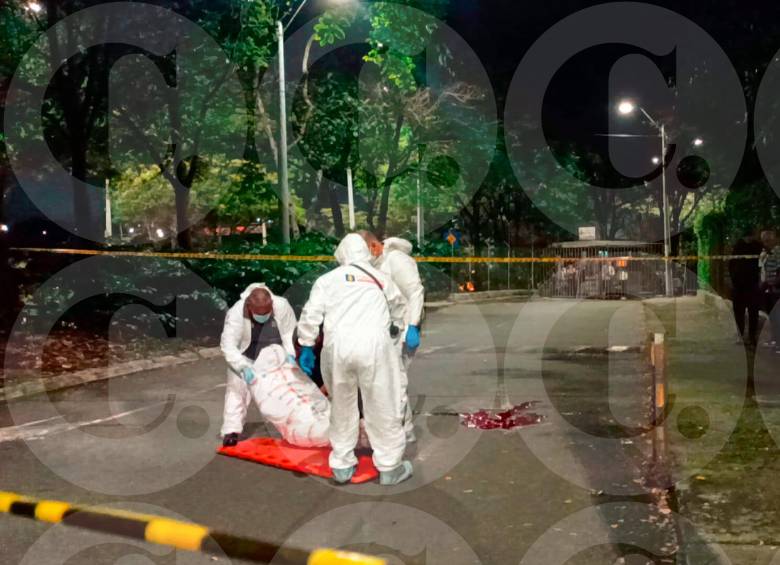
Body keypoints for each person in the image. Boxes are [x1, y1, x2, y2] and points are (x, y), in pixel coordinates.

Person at [297, 233, 412, 485]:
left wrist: (306, 345)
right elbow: (399, 308)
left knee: (341, 405)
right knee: (382, 405)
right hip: (375, 347)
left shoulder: (326, 280)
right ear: (365, 252)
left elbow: (311, 314)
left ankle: (342, 464)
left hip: (337, 347)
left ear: (342, 254)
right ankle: (390, 467)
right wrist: (398, 331)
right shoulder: (381, 279)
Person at [361, 231, 424, 442]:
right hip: (383, 328)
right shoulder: (374, 263)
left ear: (375, 246)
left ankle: (403, 430)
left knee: (397, 381)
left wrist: (413, 325)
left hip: (404, 329)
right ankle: (400, 428)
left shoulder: (397, 260)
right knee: (389, 381)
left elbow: (415, 292)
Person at [220, 284, 298, 446]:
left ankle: (288, 430)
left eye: (266, 312)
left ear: (271, 304)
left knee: (283, 392)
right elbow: (228, 344)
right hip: (246, 355)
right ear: (249, 306)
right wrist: (242, 366)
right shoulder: (236, 312)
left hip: (275, 354)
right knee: (237, 390)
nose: (262, 315)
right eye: (258, 313)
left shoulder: (281, 305)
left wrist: (291, 355)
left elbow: (290, 333)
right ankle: (231, 430)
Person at [729, 232, 764, 345]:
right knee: (742, 312)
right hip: (742, 285)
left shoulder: (755, 247)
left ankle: (750, 337)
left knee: (750, 312)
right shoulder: (741, 246)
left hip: (749, 285)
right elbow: (732, 264)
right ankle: (747, 337)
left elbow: (732, 265)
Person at [760, 230, 780, 346]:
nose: (765, 243)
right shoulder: (768, 252)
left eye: (767, 241)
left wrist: (774, 285)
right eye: (764, 241)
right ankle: (774, 339)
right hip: (769, 287)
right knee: (772, 315)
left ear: (773, 239)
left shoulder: (777, 251)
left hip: (775, 289)